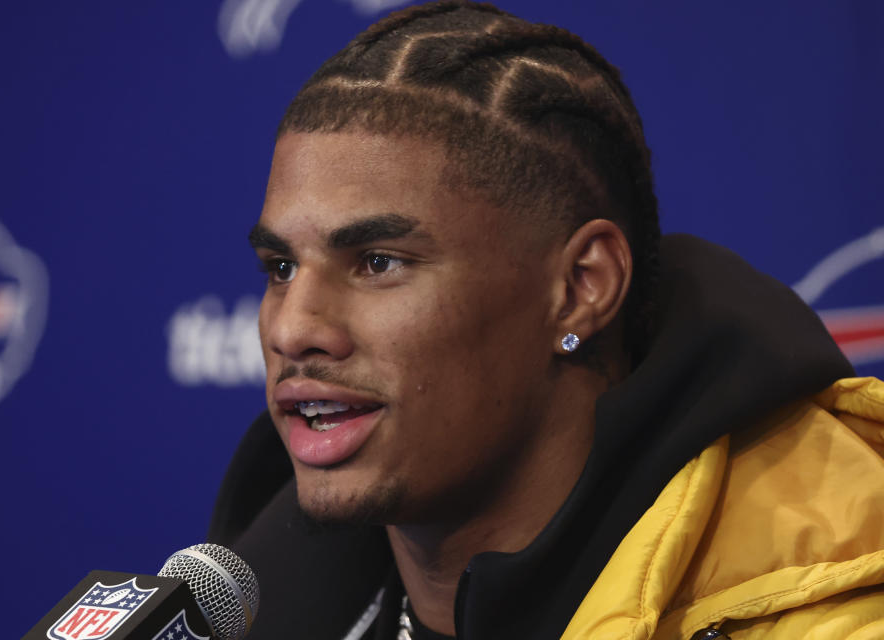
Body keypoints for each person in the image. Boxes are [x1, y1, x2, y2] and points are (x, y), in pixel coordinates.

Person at [208, 2, 884, 638]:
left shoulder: (830, 616)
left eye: (379, 262)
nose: (292, 330)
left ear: (582, 288)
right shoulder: (246, 607)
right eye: (281, 267)